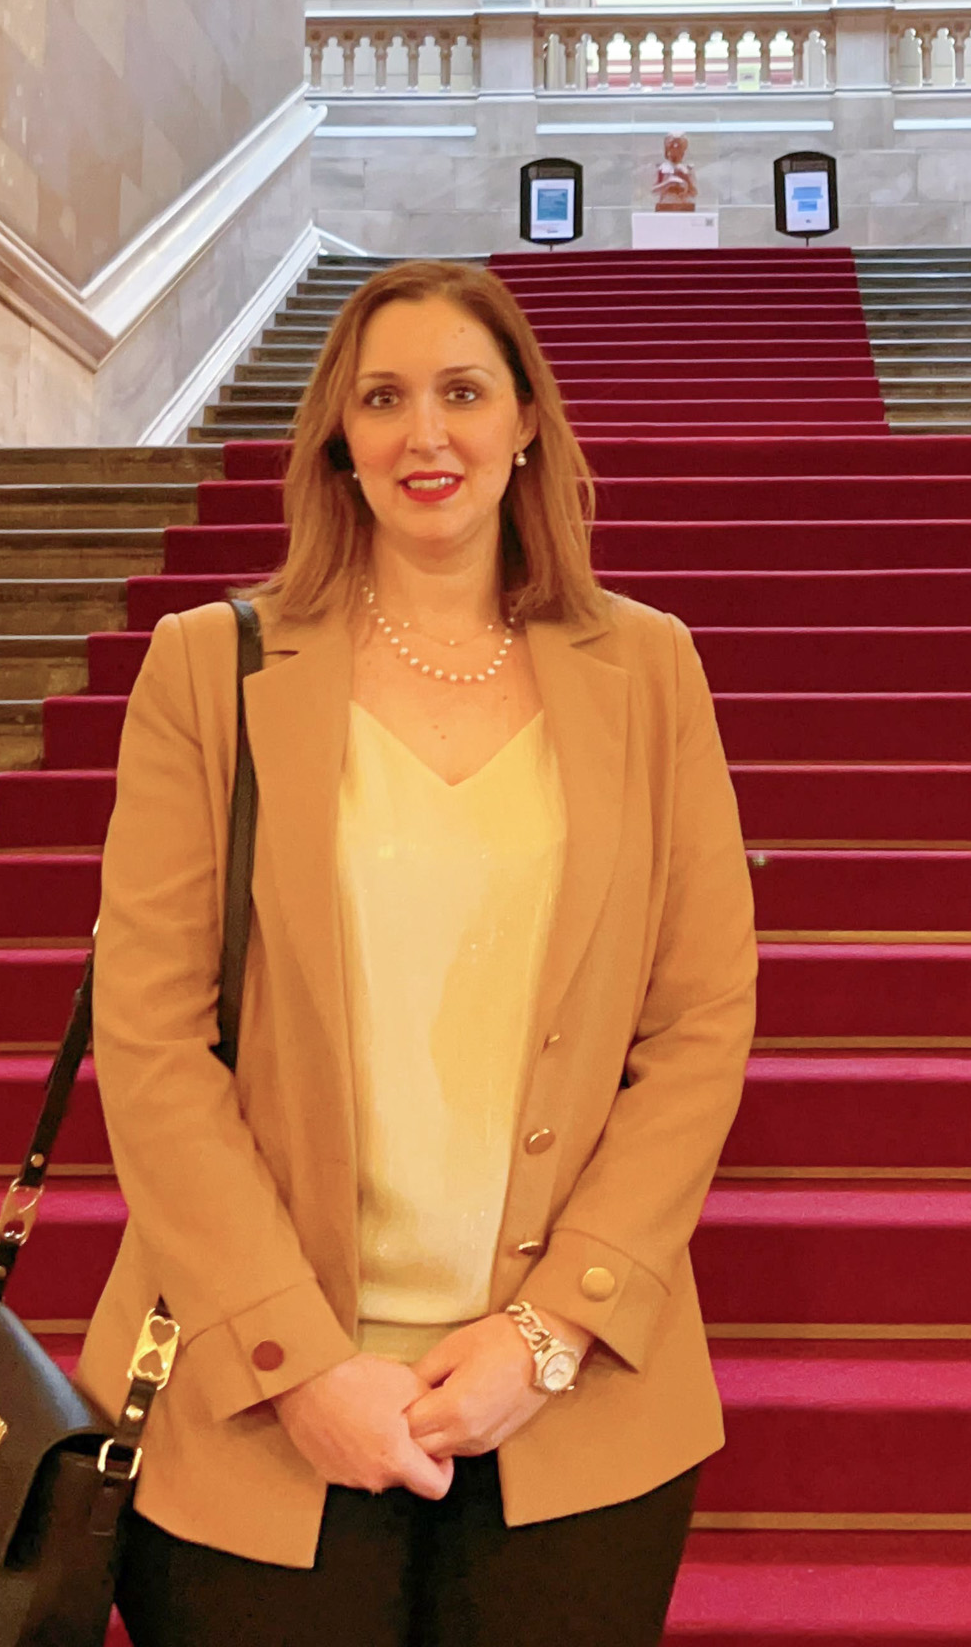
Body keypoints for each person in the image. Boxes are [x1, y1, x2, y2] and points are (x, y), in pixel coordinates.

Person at [74, 259, 758, 1645]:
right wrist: (297, 1364)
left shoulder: (650, 673)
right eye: (381, 399)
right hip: (254, 1401)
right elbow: (149, 1043)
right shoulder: (214, 672)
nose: (424, 436)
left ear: (524, 427)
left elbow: (699, 1025)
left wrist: (549, 1333)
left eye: (462, 393)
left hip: (573, 1406)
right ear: (336, 438)